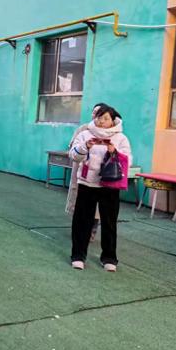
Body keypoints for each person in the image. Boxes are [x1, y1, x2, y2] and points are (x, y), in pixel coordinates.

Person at [69, 105, 132, 272]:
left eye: (105, 118)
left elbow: (128, 160)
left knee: (109, 222)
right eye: (99, 117)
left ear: (113, 120)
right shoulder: (85, 134)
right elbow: (73, 155)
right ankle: (78, 256)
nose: (101, 121)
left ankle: (109, 258)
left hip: (109, 185)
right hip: (87, 183)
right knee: (82, 221)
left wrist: (114, 151)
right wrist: (85, 147)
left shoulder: (121, 138)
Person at [66, 103, 109, 242]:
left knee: (96, 205)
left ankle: (92, 230)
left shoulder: (110, 132)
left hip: (98, 175)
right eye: (94, 112)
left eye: (99, 112)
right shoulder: (83, 129)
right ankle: (78, 229)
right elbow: (72, 148)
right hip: (81, 171)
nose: (95, 115)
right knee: (79, 201)